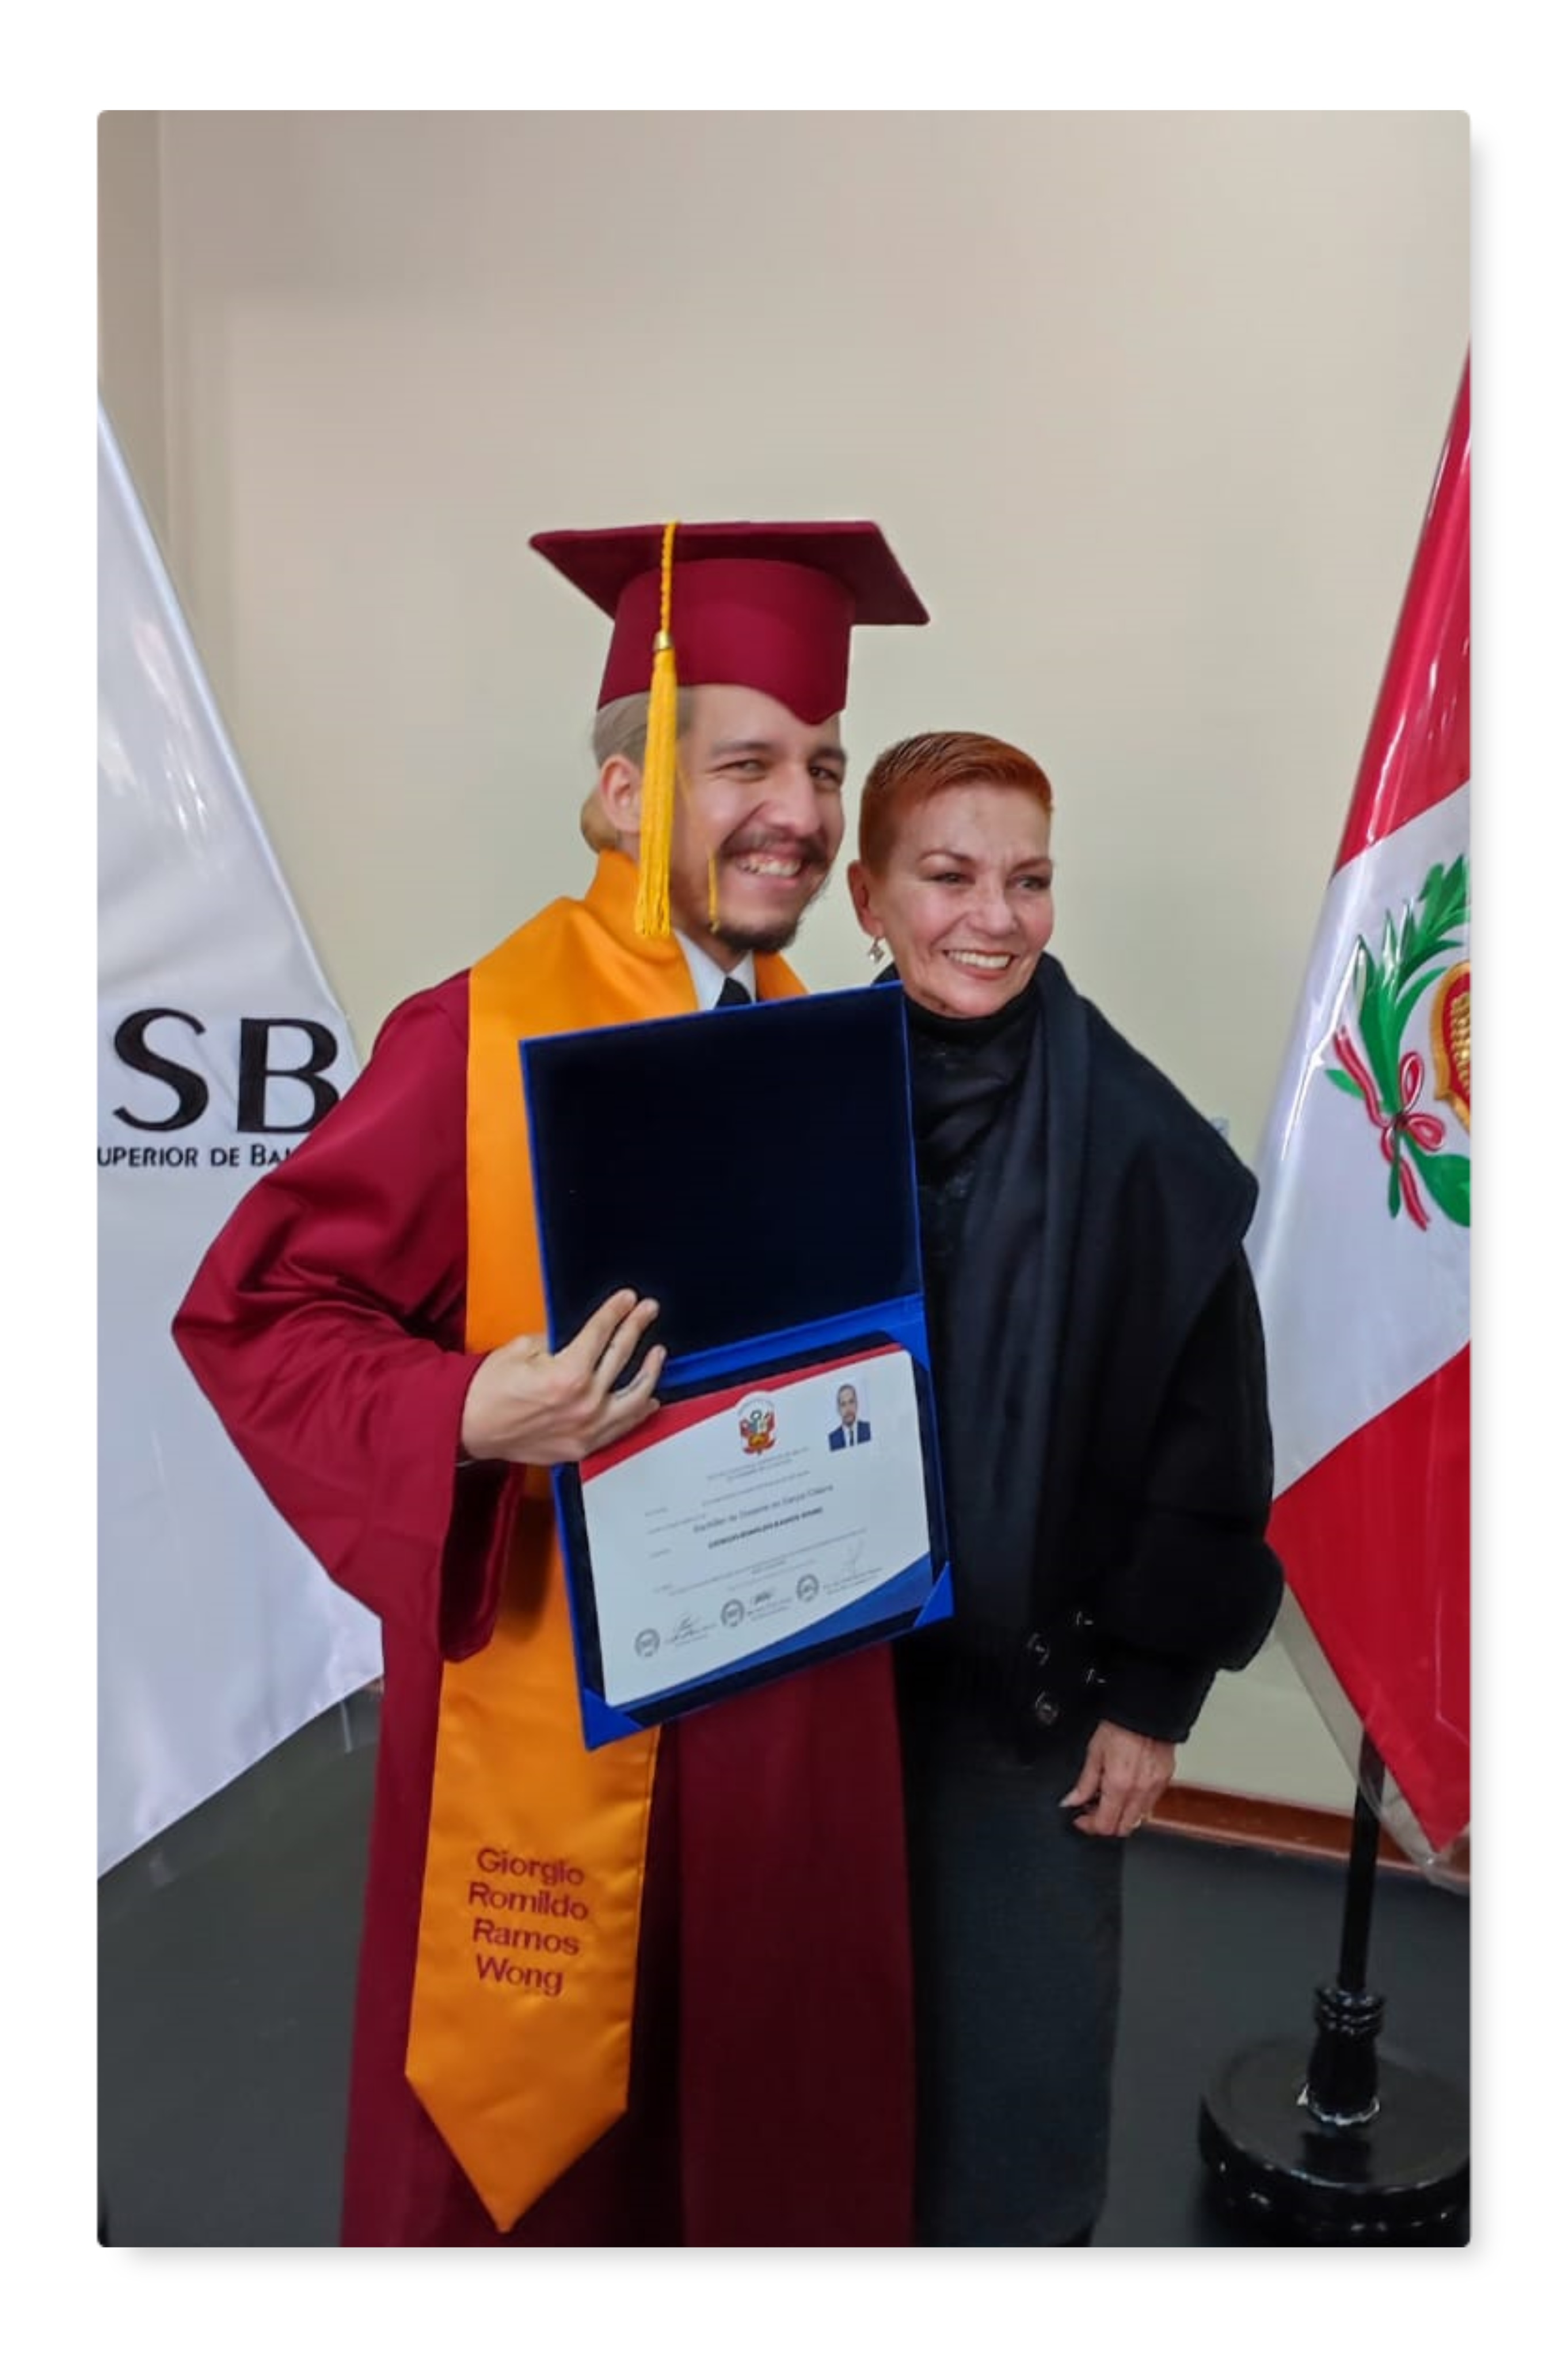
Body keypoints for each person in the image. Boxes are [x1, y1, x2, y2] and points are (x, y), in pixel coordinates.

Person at [172, 519, 929, 2247]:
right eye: (744, 763)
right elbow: (260, 1312)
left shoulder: (821, 1035)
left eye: (823, 767)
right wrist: (461, 1412)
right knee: (562, 2177)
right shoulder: (479, 1034)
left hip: (785, 1699)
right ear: (619, 794)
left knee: (763, 2117)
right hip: (565, 1698)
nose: (801, 812)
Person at [846, 730, 1284, 2247]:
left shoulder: (1141, 1146)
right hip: (816, 1681)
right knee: (817, 2038)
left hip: (1026, 1694)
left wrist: (1152, 1697)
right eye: (949, 875)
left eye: (1028, 879)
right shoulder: (783, 1096)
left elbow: (1210, 1446)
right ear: (868, 899)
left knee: (1013, 2068)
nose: (996, 917)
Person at [829, 1381, 871, 1448]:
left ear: (857, 1404)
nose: (848, 1409)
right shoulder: (832, 1439)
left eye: (851, 1402)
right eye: (843, 1404)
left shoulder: (868, 1429)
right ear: (839, 1409)